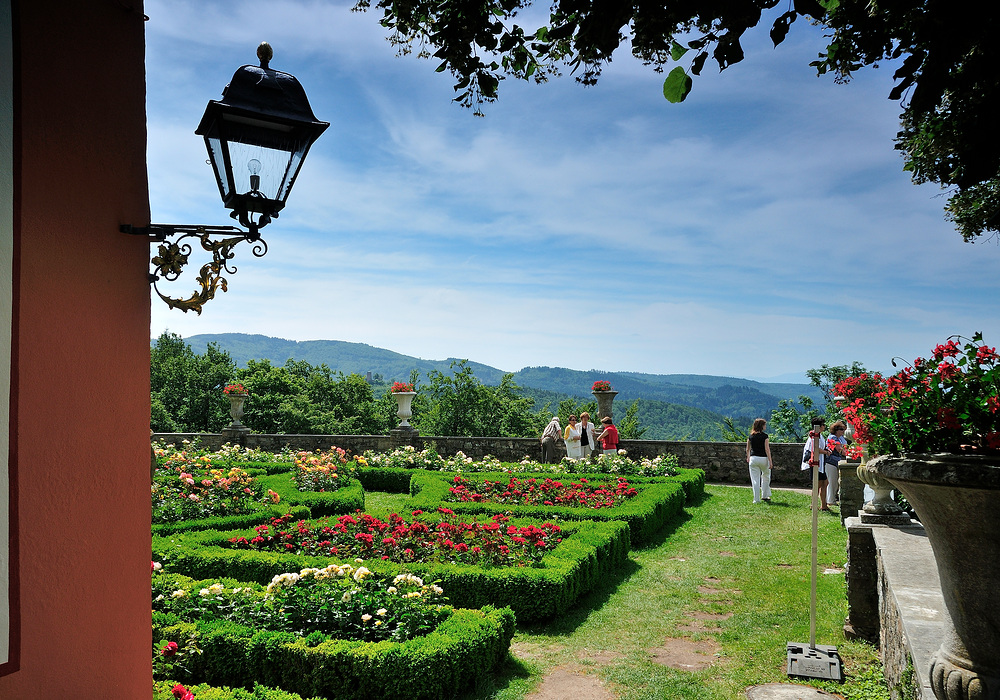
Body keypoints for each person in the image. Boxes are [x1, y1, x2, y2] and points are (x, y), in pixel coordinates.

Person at [801, 416, 833, 511]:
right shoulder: (814, 436)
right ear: (818, 426)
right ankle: (813, 504)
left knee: (825, 483)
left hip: (820, 463)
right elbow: (815, 449)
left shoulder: (819, 435)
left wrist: (826, 450)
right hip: (815, 463)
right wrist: (826, 452)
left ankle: (824, 505)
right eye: (823, 425)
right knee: (817, 484)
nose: (824, 426)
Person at [746, 418, 773, 504]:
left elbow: (747, 449)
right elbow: (767, 449)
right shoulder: (765, 436)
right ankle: (764, 495)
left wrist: (748, 457)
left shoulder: (751, 436)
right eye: (764, 425)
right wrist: (770, 461)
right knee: (766, 477)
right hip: (763, 459)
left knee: (755, 480)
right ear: (761, 426)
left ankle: (756, 499)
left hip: (753, 459)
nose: (765, 426)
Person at [825, 420, 849, 506]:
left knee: (835, 482)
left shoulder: (840, 438)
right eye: (842, 429)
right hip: (831, 462)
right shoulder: (833, 438)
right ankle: (830, 501)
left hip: (836, 461)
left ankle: (831, 499)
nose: (843, 431)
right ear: (836, 430)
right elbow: (840, 450)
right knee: (832, 482)